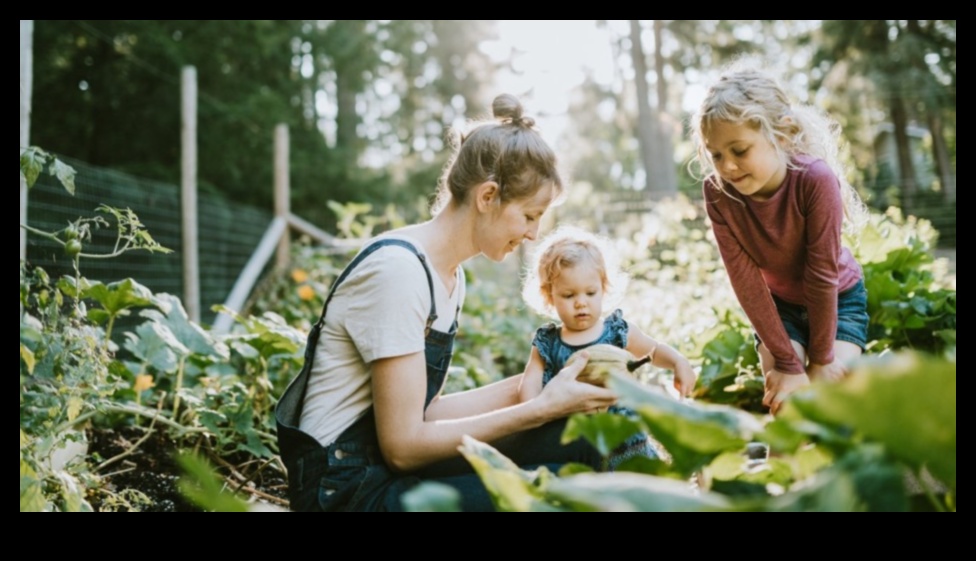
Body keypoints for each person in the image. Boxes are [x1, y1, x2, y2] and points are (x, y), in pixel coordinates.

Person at [274, 94, 618, 512]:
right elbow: (403, 446)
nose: (533, 235)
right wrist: (540, 409)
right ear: (487, 196)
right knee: (563, 492)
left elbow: (427, 413)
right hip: (345, 492)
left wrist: (552, 377)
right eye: (529, 216)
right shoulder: (399, 272)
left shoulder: (448, 275)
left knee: (587, 441)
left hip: (384, 468)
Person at [690, 67, 869, 415]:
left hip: (839, 299)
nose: (727, 166)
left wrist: (820, 360)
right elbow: (746, 282)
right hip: (779, 309)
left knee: (829, 406)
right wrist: (788, 364)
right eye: (716, 155)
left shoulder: (815, 180)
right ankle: (783, 470)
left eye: (739, 150)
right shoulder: (718, 193)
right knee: (788, 408)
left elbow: (821, 276)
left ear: (783, 135)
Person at [518, 225, 697, 469]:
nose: (581, 303)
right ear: (550, 296)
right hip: (578, 445)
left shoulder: (616, 332)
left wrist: (678, 362)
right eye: (569, 296)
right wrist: (534, 413)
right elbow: (529, 386)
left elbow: (653, 350)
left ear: (604, 288)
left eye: (590, 293)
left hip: (628, 443)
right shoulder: (547, 343)